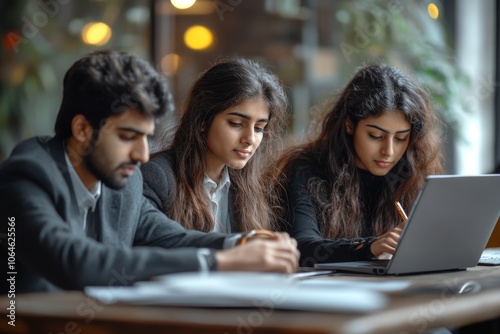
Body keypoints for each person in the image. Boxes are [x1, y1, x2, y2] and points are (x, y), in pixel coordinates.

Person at [0, 50, 299, 294]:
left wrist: (242, 243)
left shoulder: (123, 183)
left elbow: (173, 238)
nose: (142, 154)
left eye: (146, 137)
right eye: (128, 137)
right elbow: (74, 261)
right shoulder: (27, 176)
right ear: (81, 129)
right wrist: (219, 262)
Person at [275, 63, 444, 266]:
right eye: (375, 136)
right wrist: (370, 247)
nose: (389, 151)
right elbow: (301, 248)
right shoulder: (308, 169)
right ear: (349, 124)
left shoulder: (411, 172)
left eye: (400, 138)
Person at [141, 58, 287, 233]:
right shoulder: (157, 177)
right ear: (202, 119)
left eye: (259, 128)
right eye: (236, 123)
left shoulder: (247, 186)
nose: (250, 138)